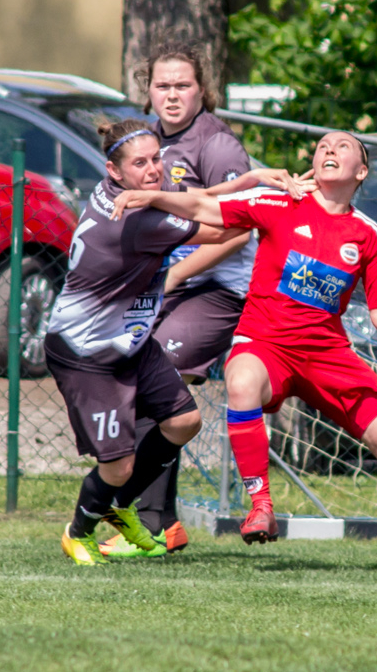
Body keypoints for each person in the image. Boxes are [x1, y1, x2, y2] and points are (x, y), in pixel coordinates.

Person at [114, 131, 377, 575]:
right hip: (265, 343)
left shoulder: (368, 235)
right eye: (323, 146)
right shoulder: (278, 205)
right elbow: (203, 208)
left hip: (328, 354)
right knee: (241, 381)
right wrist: (150, 196)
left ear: (361, 172)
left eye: (343, 147)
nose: (329, 150)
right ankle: (261, 506)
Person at [46, 118, 246, 565]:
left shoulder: (125, 196)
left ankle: (118, 506)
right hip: (87, 353)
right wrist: (272, 203)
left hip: (130, 338)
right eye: (141, 163)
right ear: (114, 171)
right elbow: (224, 227)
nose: (154, 169)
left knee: (183, 422)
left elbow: (193, 201)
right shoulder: (138, 219)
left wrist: (249, 181)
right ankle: (77, 533)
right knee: (118, 465)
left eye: (158, 158)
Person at [101, 42, 255, 559]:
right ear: (148, 91)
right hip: (165, 284)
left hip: (218, 288)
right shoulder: (147, 143)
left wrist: (170, 279)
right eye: (162, 85)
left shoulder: (217, 145)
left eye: (182, 85)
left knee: (156, 377)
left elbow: (237, 230)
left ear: (202, 90)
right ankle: (161, 522)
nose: (171, 95)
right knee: (132, 381)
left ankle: (145, 521)